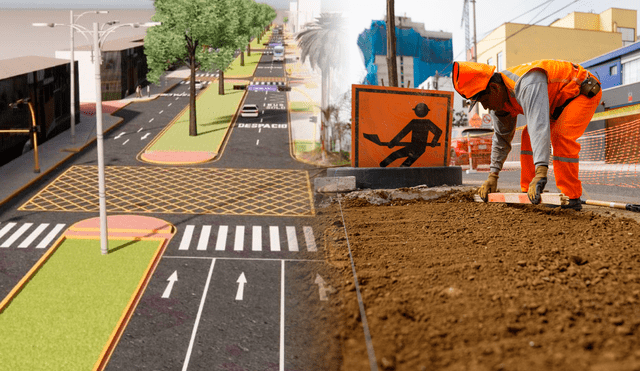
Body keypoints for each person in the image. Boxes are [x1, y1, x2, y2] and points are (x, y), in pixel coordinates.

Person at [452, 60, 602, 211]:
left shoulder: (527, 83)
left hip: (580, 92)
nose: (485, 107)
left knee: (560, 136)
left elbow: (538, 125)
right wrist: (493, 175)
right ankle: (530, 192)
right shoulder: (499, 103)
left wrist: (541, 172)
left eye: (484, 101)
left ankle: (571, 197)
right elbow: (501, 139)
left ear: (494, 88)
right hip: (556, 103)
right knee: (527, 135)